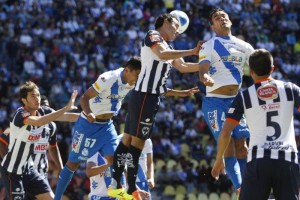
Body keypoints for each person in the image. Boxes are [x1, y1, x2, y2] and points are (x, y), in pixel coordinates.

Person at [108, 13, 201, 200]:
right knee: (136, 142)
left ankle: (115, 185)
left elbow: (183, 67)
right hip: (145, 97)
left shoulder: (168, 46)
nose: (178, 30)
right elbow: (162, 55)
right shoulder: (153, 36)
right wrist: (192, 51)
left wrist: (206, 64)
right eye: (175, 25)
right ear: (166, 22)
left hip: (149, 97)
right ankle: (129, 189)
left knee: (127, 140)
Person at [211, 49, 300, 199]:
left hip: (259, 161)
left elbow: (225, 132)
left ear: (251, 71)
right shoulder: (291, 89)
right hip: (286, 159)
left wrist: (219, 159)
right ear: (272, 68)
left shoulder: (244, 96)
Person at [54, 57, 142, 200]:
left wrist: (179, 92)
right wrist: (89, 113)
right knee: (73, 164)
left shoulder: (133, 81)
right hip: (88, 125)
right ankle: (56, 198)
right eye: (137, 74)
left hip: (107, 127)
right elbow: (84, 98)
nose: (138, 78)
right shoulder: (108, 78)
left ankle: (119, 191)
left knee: (116, 159)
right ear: (127, 70)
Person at [197, 8, 254, 193]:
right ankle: (240, 188)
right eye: (216, 17)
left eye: (224, 16)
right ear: (212, 26)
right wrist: (205, 77)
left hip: (236, 100)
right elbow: (202, 68)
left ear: (230, 20)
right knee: (228, 144)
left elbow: (256, 70)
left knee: (242, 146)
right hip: (214, 101)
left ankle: (248, 187)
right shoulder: (209, 45)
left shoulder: (244, 46)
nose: (222, 18)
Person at [1, 81, 78, 200]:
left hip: (30, 169)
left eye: (38, 95)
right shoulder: (20, 114)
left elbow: (67, 116)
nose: (37, 98)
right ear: (24, 101)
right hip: (13, 171)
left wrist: (90, 117)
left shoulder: (44, 113)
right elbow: (38, 122)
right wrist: (65, 108)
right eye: (33, 96)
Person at [86, 135, 153, 200]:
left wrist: (135, 190)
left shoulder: (118, 152)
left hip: (119, 197)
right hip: (100, 197)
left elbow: (126, 173)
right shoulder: (94, 152)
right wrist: (108, 164)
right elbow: (89, 172)